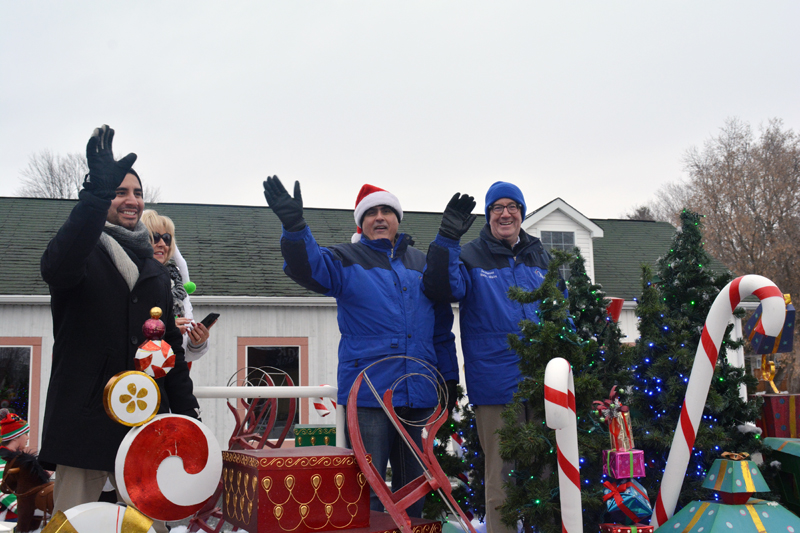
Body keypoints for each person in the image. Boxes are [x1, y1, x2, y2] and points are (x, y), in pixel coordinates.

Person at [262, 177, 458, 517]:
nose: (379, 218)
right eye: (371, 213)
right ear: (360, 222)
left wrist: (448, 378)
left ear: (398, 219)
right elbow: (306, 267)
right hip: (369, 394)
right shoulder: (344, 259)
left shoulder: (423, 263)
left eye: (386, 211)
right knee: (365, 488)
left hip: (420, 391)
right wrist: (295, 228)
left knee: (417, 486)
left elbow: (441, 329)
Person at [39, 125, 199, 526]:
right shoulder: (82, 251)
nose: (131, 200)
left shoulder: (155, 270)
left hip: (144, 427)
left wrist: (187, 415)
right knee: (74, 523)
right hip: (85, 421)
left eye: (137, 193)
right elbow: (54, 267)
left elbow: (172, 353)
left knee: (150, 524)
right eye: (119, 192)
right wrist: (94, 196)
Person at [424, 182, 562, 533]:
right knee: (501, 478)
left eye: (512, 206)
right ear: (487, 215)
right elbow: (441, 287)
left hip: (543, 382)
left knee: (544, 476)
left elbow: (561, 311)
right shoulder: (470, 256)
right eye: (497, 207)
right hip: (495, 382)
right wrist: (447, 240)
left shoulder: (541, 256)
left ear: (522, 212)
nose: (505, 213)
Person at [141, 210, 212, 364]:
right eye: (155, 237)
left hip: (171, 375)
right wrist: (166, 330)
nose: (162, 244)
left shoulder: (177, 284)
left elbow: (185, 354)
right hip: (137, 376)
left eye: (167, 238)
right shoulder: (131, 277)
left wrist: (197, 342)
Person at [0, 409, 31, 522]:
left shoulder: (15, 459)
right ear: (16, 437)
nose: (28, 438)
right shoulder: (3, 460)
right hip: (8, 520)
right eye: (26, 434)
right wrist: (28, 510)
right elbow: (3, 491)